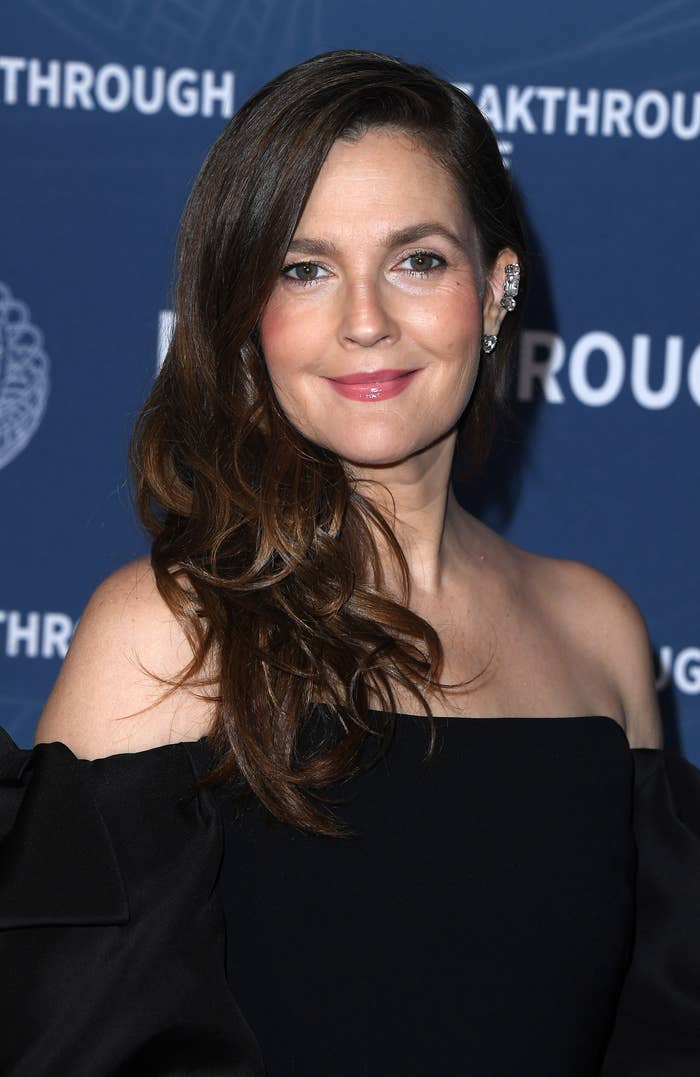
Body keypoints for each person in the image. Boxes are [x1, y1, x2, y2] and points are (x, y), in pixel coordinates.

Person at [1, 48, 698, 1077]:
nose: (365, 321)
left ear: (496, 289)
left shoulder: (597, 633)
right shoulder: (167, 634)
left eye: (418, 261)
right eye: (305, 268)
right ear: (248, 313)